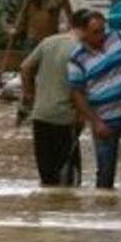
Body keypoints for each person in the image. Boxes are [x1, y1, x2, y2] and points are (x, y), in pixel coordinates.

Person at [67, 8, 121, 190]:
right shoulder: (76, 58)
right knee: (105, 172)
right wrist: (96, 122)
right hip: (104, 119)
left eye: (103, 30)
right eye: (95, 32)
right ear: (83, 32)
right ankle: (104, 209)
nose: (101, 36)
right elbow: (76, 94)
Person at [20, 29, 81, 186]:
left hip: (40, 115)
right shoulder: (81, 49)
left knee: (47, 177)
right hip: (65, 117)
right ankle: (64, 209)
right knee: (69, 179)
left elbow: (25, 67)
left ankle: (48, 208)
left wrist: (29, 95)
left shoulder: (48, 42)